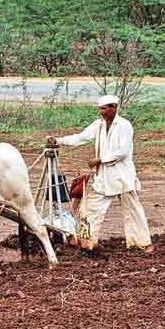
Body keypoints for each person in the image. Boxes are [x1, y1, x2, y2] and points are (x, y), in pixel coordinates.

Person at [46, 94, 154, 253]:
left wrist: (100, 160)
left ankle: (142, 244)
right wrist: (59, 141)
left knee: (133, 211)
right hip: (104, 177)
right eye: (100, 109)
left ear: (113, 108)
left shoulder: (124, 125)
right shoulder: (98, 125)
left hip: (122, 175)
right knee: (90, 208)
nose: (101, 112)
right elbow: (81, 137)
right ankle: (86, 241)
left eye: (104, 108)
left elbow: (123, 152)